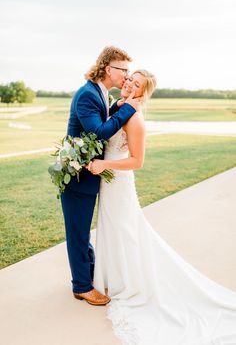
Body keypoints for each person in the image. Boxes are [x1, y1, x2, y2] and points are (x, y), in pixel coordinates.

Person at [88, 70, 236, 344]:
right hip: (108, 184)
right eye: (129, 78)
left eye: (136, 83)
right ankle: (114, 278)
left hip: (119, 183)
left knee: (126, 232)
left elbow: (137, 161)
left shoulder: (135, 119)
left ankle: (129, 284)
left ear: (142, 93)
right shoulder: (119, 107)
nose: (129, 83)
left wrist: (104, 165)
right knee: (112, 228)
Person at [60, 46, 142, 306]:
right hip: (77, 177)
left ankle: (89, 276)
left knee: (83, 231)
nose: (126, 76)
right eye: (123, 70)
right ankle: (82, 286)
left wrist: (118, 105)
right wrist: (128, 108)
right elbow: (97, 132)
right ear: (109, 69)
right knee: (78, 233)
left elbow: (102, 117)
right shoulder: (87, 94)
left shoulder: (100, 92)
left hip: (90, 174)